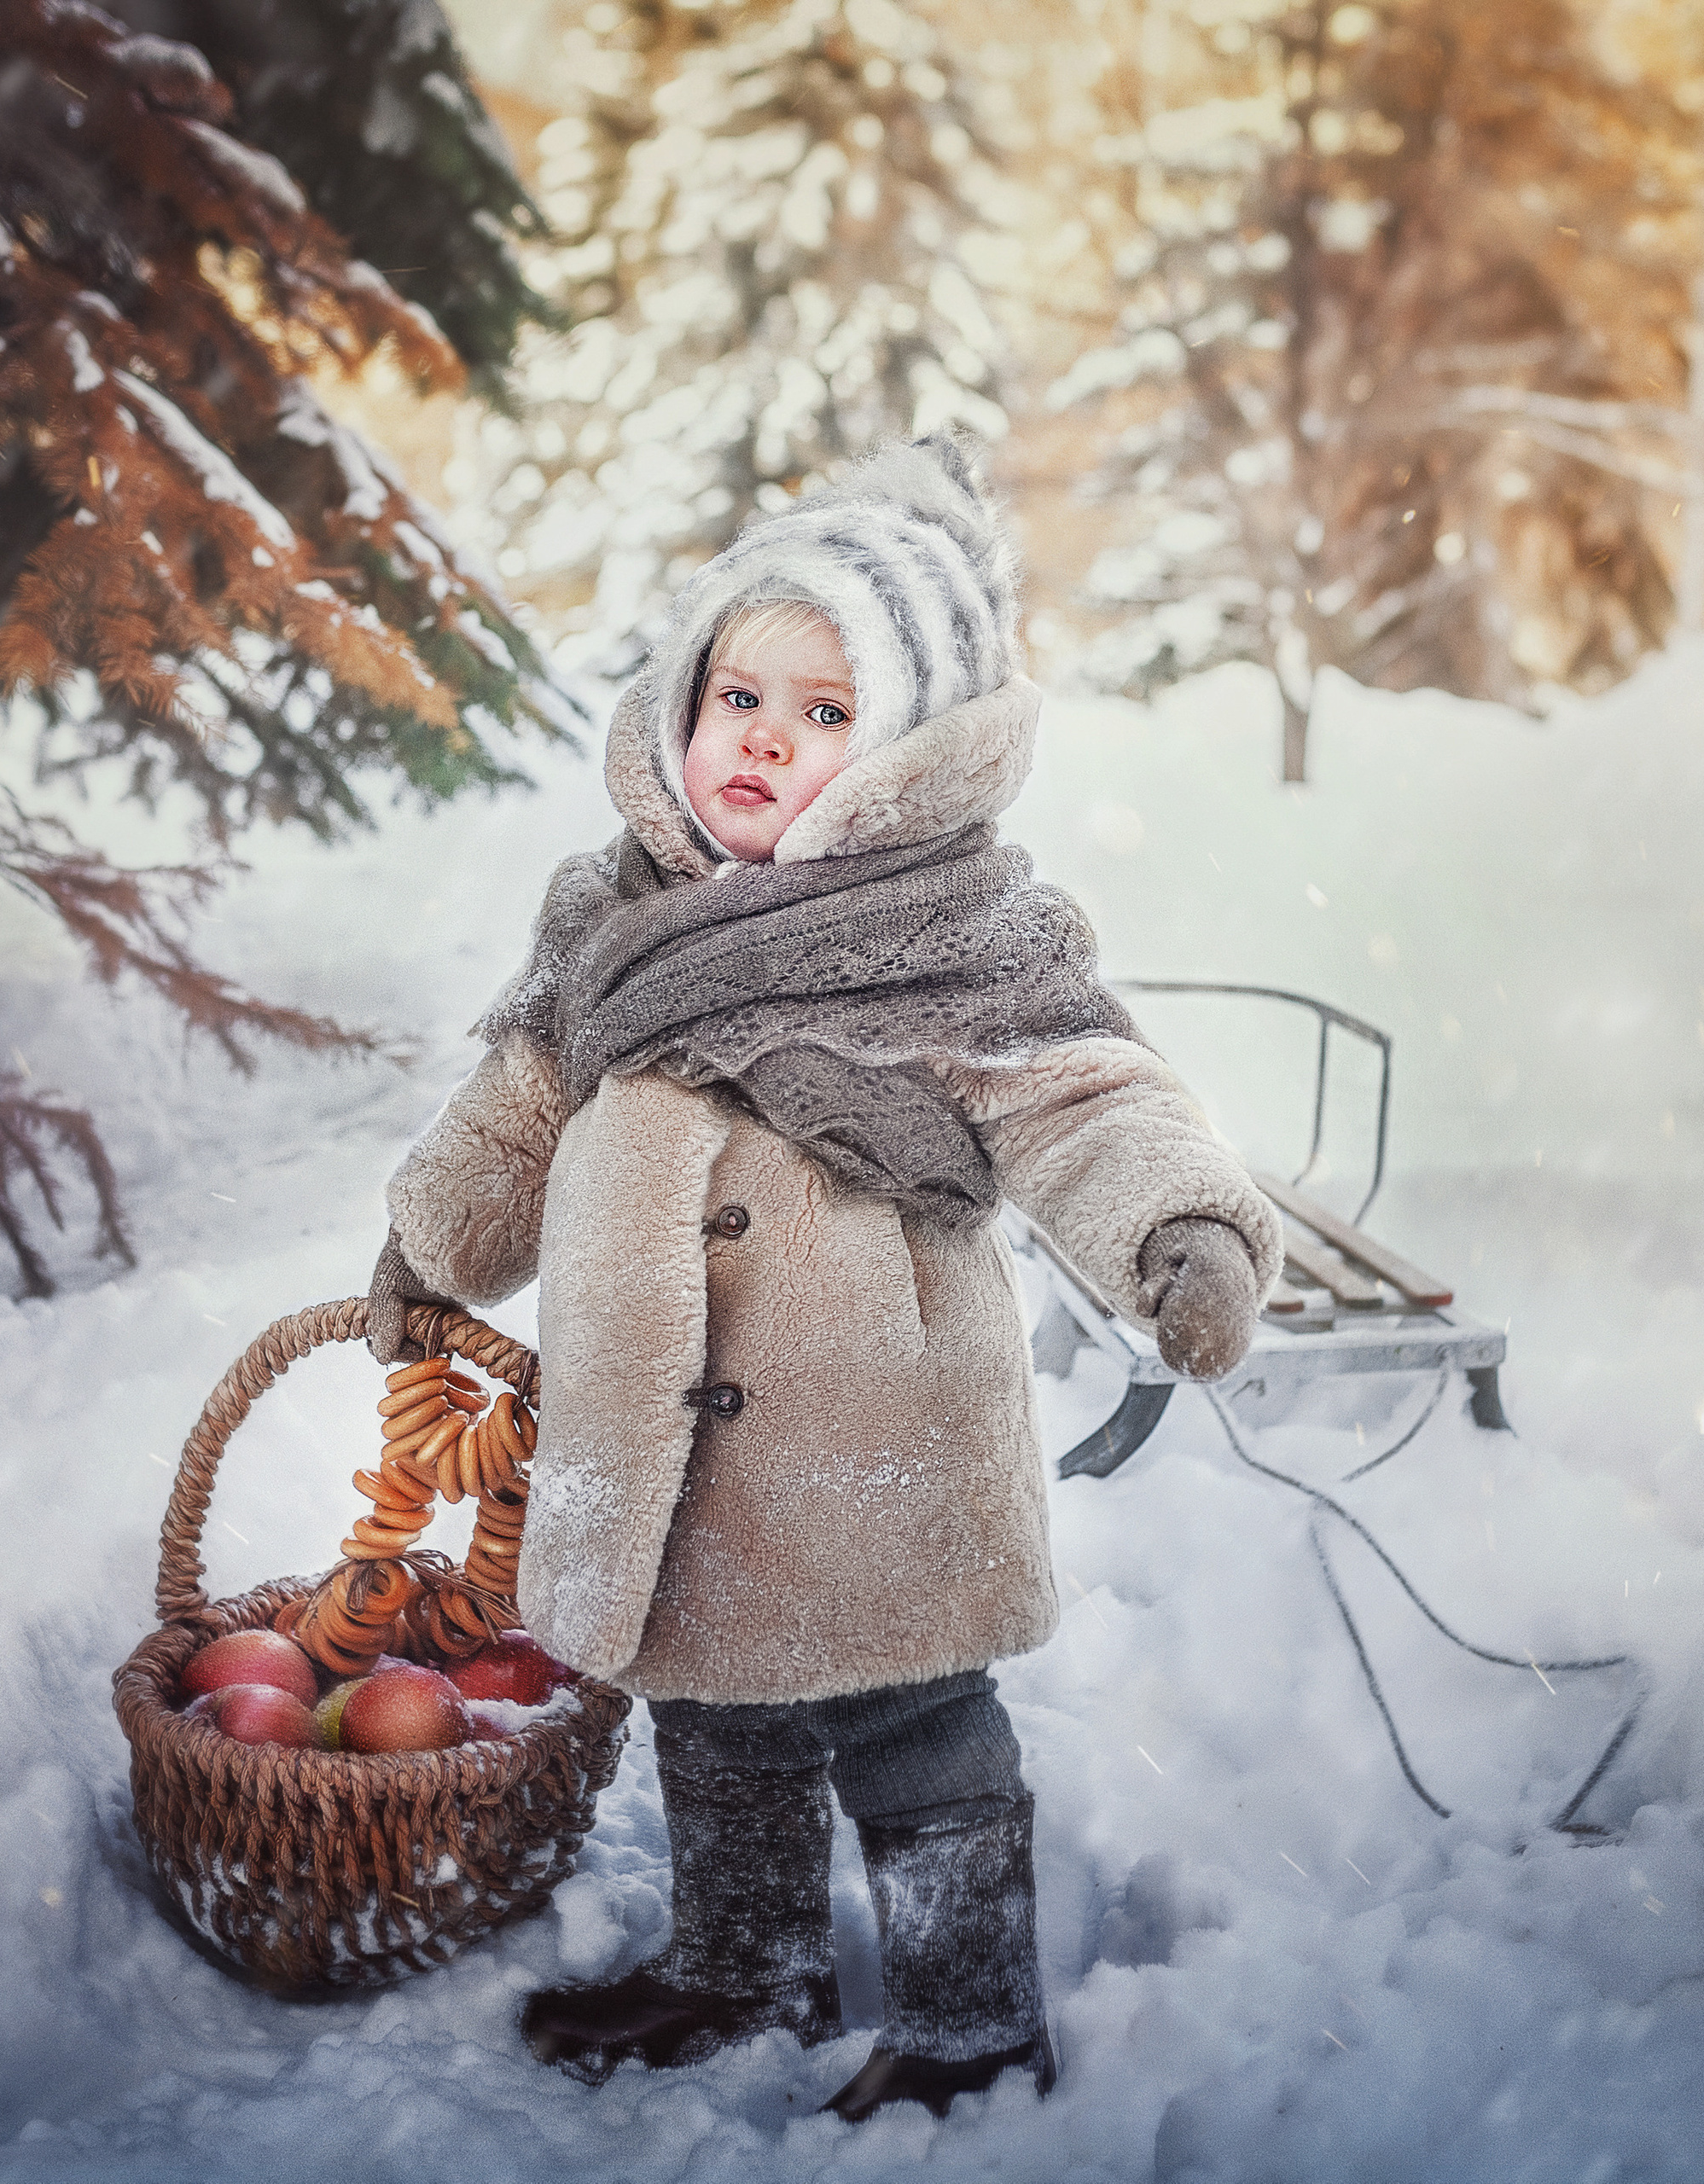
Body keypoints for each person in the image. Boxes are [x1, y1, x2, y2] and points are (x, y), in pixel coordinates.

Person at [366, 437, 1280, 2120]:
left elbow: (1084, 1094)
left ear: (911, 758)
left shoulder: (959, 934)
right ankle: (743, 1956)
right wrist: (432, 1245)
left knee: (911, 1719)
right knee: (708, 1700)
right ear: (681, 704)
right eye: (739, 694)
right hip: (666, 1428)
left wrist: (1176, 1229)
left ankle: (965, 2012)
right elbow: (517, 1100)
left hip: (876, 1432)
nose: (764, 737)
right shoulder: (608, 917)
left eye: (825, 712)